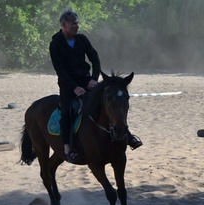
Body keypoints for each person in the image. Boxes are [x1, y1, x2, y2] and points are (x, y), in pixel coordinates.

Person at [49, 9, 142, 163]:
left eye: (77, 23)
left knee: (110, 103)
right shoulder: (55, 44)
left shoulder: (82, 39)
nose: (77, 26)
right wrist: (74, 88)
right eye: (74, 24)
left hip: (86, 80)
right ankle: (67, 147)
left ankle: (128, 136)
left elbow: (95, 59)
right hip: (68, 85)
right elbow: (60, 70)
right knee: (67, 113)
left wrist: (93, 79)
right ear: (64, 25)